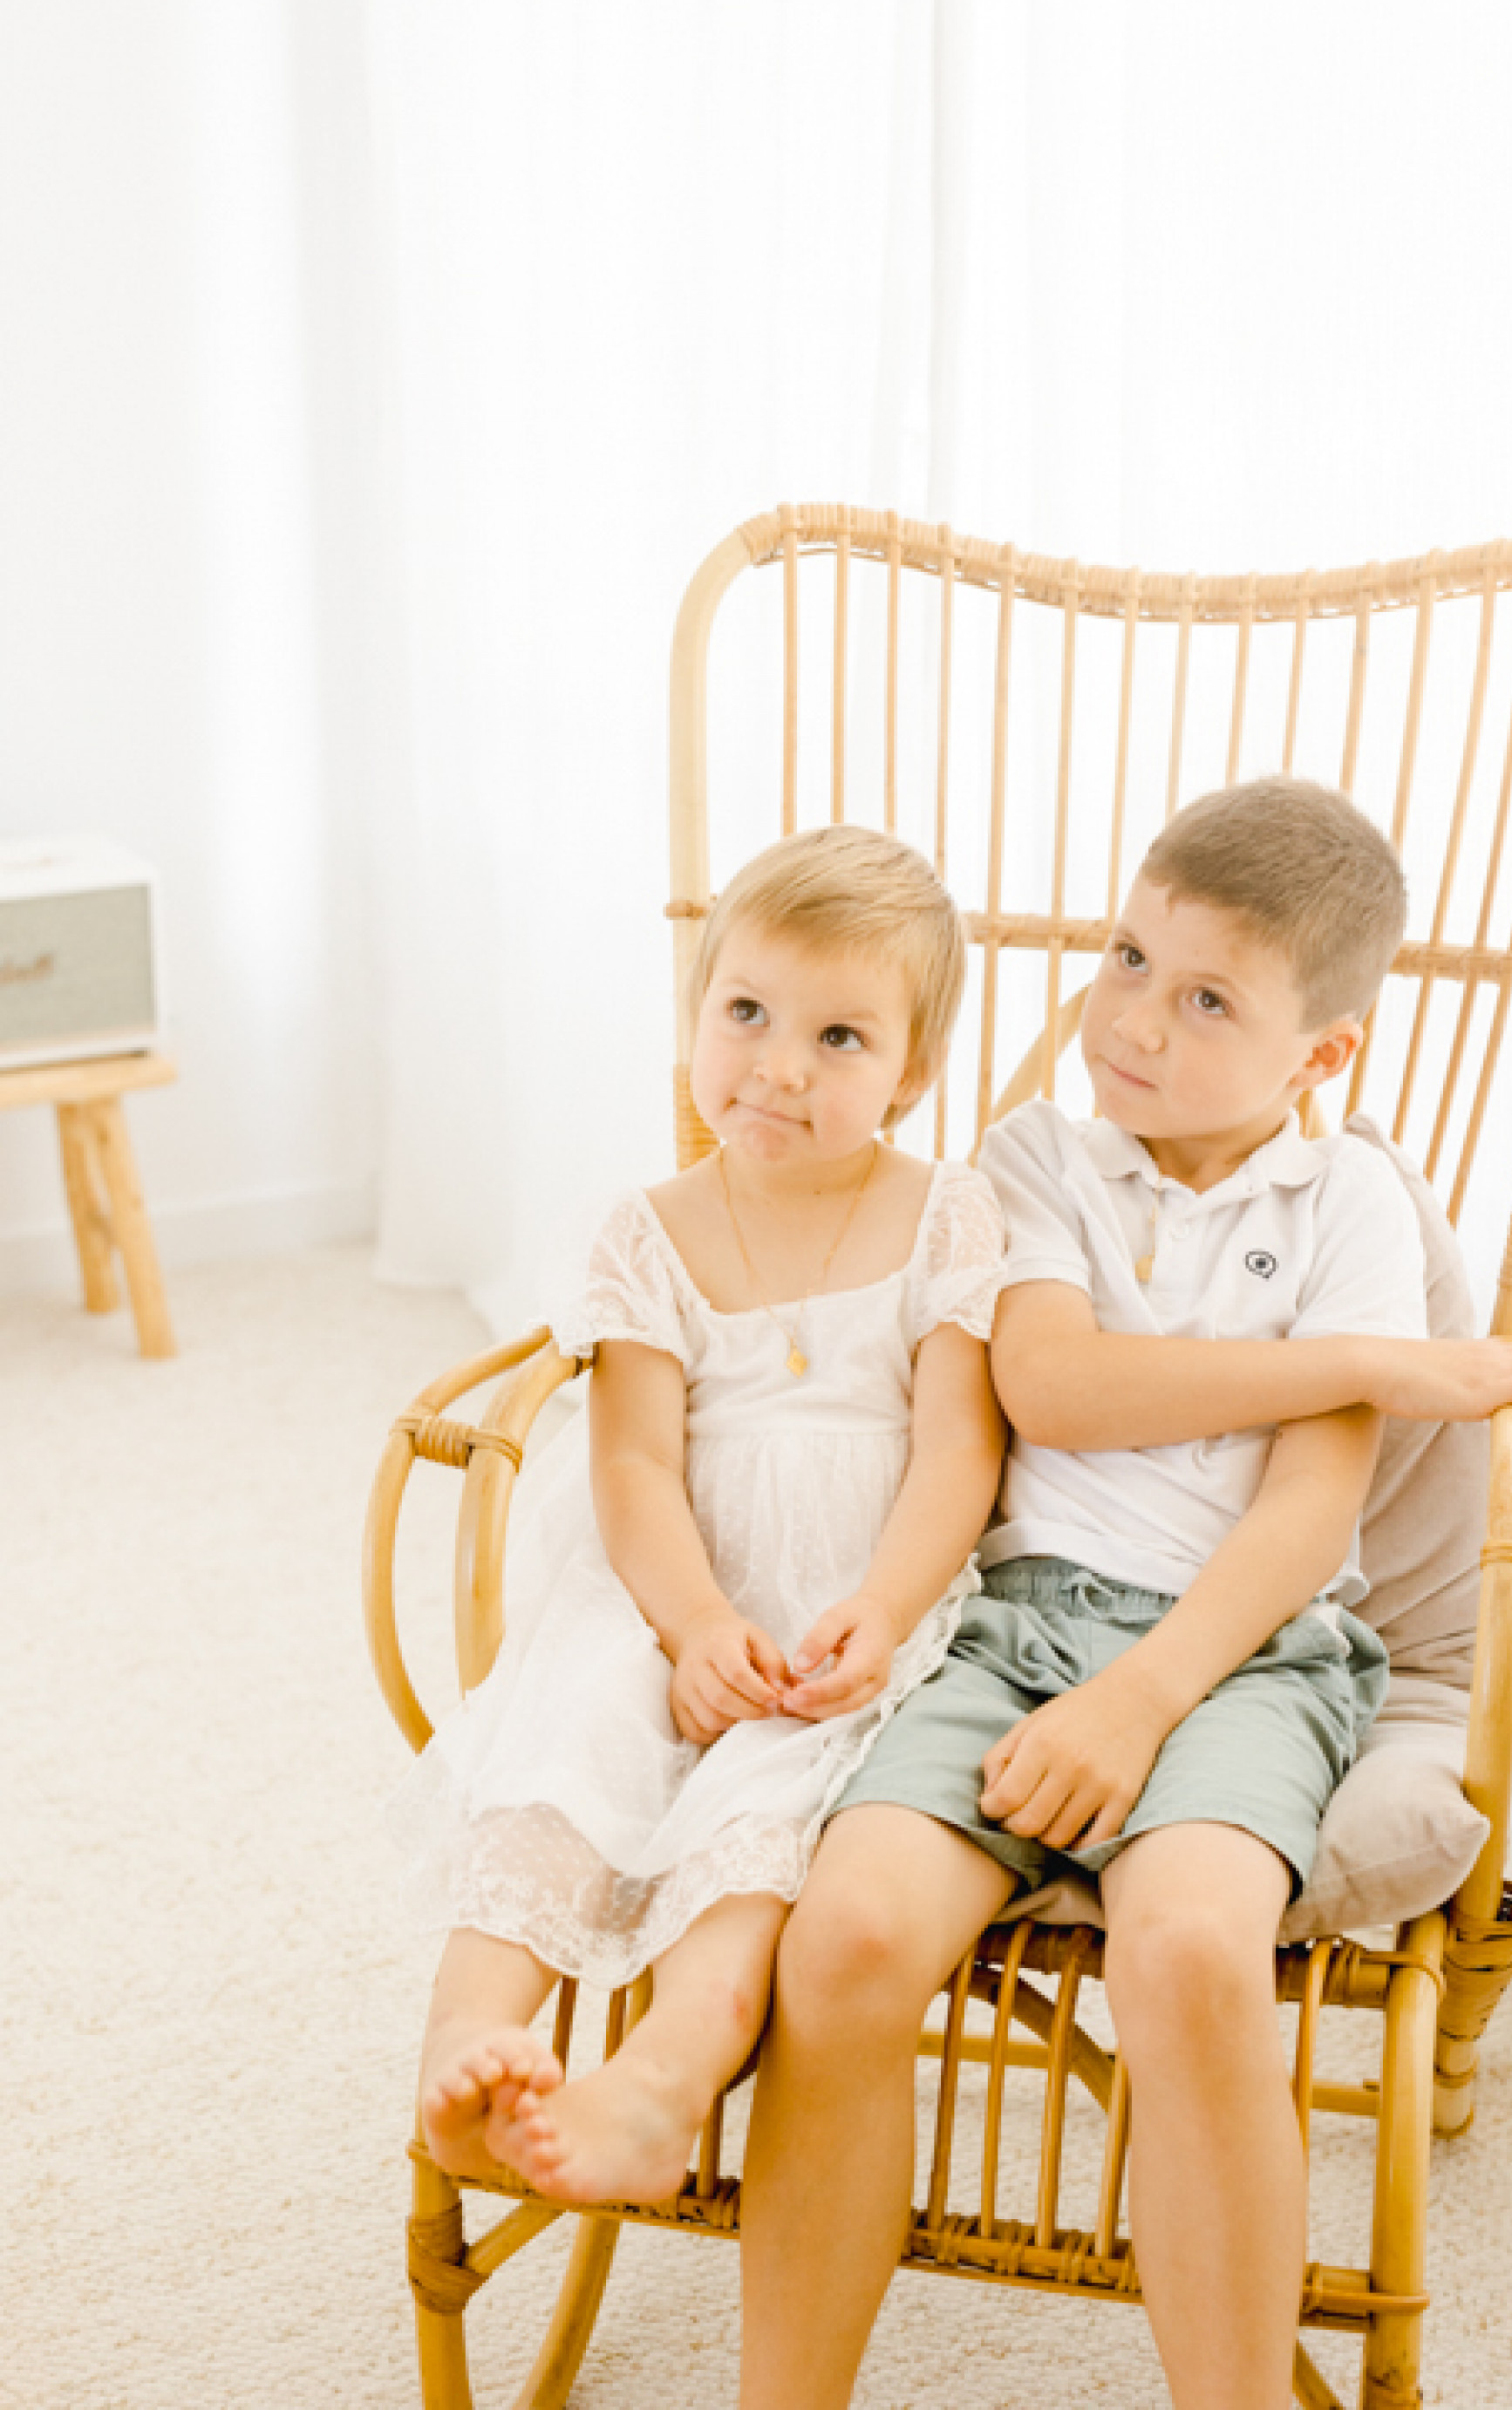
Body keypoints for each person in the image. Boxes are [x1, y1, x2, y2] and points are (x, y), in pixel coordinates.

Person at [736, 778, 1512, 2410]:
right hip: (1007, 1626)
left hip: (1252, 1655)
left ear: (1318, 1054)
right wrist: (1363, 1362)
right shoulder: (1034, 1158)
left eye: (1207, 998)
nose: (1131, 1018)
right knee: (842, 1943)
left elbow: (1308, 1508)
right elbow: (1052, 1390)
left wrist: (1138, 1701)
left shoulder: (1355, 1208)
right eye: (1128, 955)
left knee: (1193, 1952)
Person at [393, 824, 1005, 2209]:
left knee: (765, 1821)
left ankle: (664, 2080)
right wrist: (693, 1625)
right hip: (672, 1586)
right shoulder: (649, 1229)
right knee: (566, 1750)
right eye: (746, 1014)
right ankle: (470, 2050)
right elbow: (630, 1470)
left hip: (861, 1600)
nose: (780, 1065)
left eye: (841, 1037)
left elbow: (961, 1454)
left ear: (911, 1073)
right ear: (696, 1015)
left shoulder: (945, 1215)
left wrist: (886, 1613)